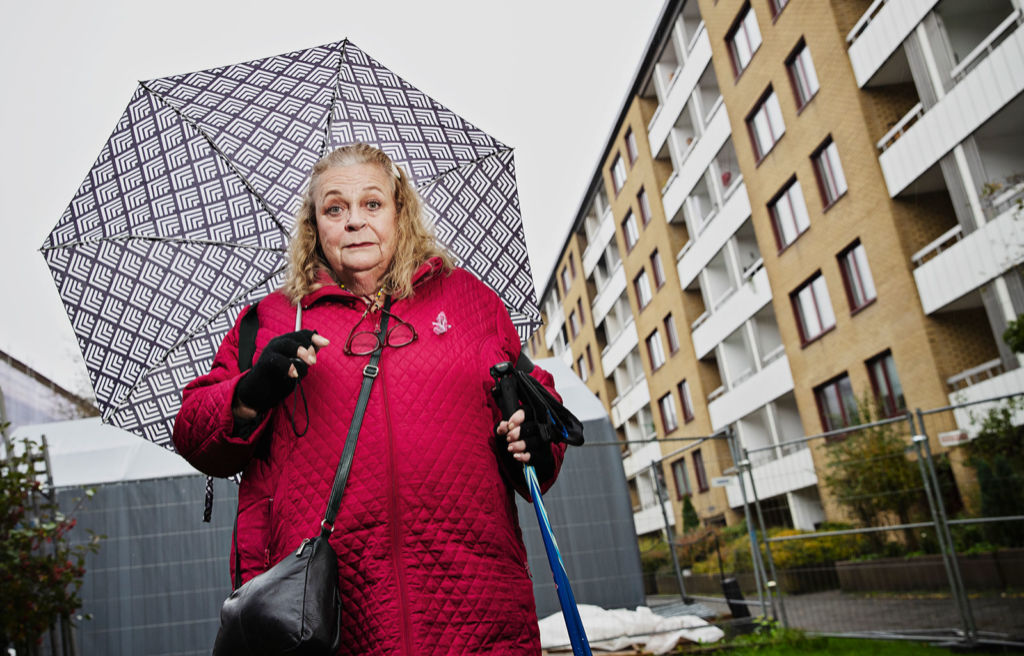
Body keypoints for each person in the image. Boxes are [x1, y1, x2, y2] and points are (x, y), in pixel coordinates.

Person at [173, 143, 566, 655]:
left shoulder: (470, 301)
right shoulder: (274, 319)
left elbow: (539, 410)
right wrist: (249, 393)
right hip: (329, 616)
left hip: (474, 607)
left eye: (372, 204)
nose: (354, 221)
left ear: (400, 212)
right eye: (335, 208)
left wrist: (537, 441)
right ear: (315, 226)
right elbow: (193, 433)